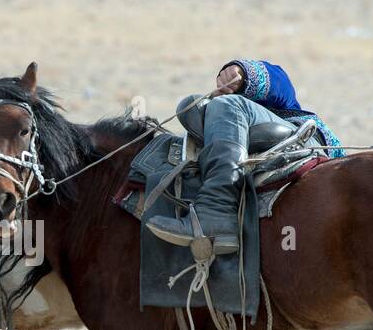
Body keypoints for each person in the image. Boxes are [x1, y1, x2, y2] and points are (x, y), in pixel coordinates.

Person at [147, 59, 343, 253]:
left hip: (309, 144)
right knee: (194, 106)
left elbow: (281, 83)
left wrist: (243, 72)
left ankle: (216, 211)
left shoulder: (283, 108)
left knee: (227, 105)